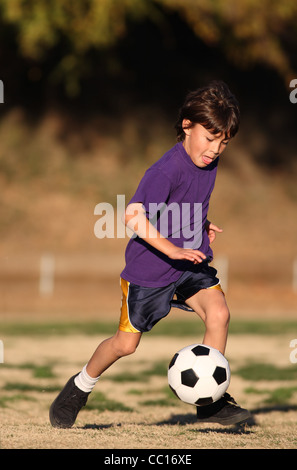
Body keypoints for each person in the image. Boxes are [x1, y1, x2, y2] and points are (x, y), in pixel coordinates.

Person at [49, 80, 251, 428]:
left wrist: (202, 225)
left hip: (188, 263)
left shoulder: (208, 164)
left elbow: (185, 205)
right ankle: (78, 388)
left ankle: (210, 402)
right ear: (187, 126)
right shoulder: (165, 170)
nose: (216, 149)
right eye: (210, 138)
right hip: (150, 271)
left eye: (223, 142)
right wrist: (171, 247)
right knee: (125, 345)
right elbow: (132, 216)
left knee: (219, 314)